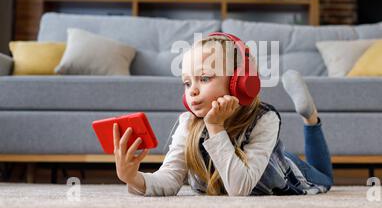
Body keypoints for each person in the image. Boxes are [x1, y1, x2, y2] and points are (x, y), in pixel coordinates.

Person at [113, 33, 334, 196]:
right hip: (258, 157)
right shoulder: (188, 123)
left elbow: (240, 189)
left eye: (205, 78)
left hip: (285, 171)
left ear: (240, 83)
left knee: (325, 178)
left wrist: (216, 128)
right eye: (187, 83)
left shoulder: (265, 119)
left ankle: (310, 118)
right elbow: (169, 179)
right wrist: (133, 177)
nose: (192, 91)